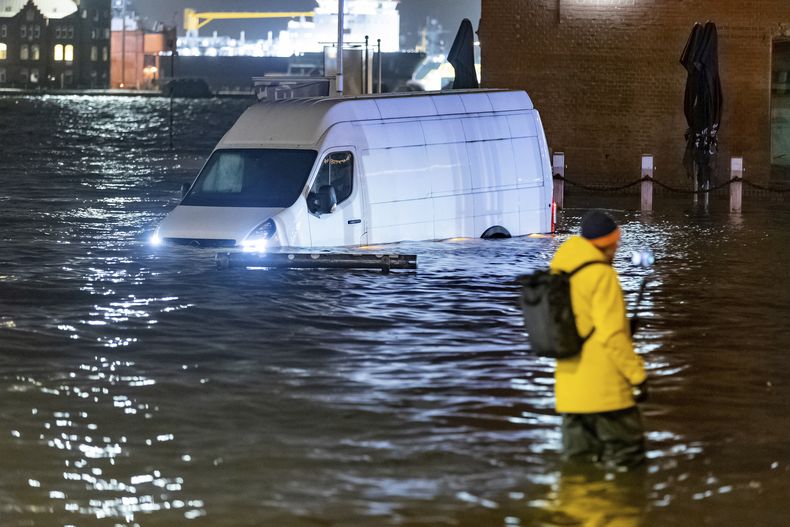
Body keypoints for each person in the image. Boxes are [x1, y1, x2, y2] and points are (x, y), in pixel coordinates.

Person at [550, 210, 648, 469]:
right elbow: (612, 337)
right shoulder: (602, 276)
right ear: (608, 243)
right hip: (606, 394)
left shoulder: (560, 272)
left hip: (570, 394)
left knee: (577, 469)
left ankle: (576, 508)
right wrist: (637, 376)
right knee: (629, 463)